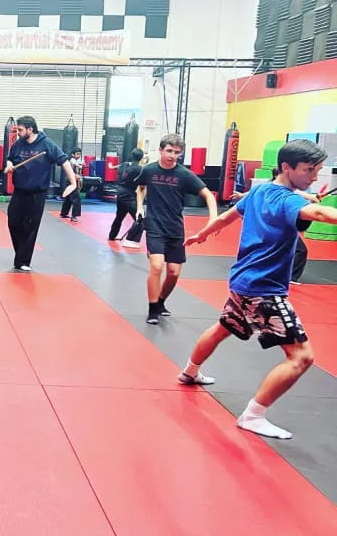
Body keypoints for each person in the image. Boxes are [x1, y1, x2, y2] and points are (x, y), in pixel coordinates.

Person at [178, 140, 337, 439]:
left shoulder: (260, 191)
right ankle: (253, 415)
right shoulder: (289, 201)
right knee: (302, 357)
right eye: (309, 170)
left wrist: (201, 234)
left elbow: (226, 217)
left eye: (317, 170)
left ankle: (189, 371)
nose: (315, 176)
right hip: (265, 289)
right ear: (287, 167)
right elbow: (320, 215)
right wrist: (309, 202)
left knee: (223, 327)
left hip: (242, 281)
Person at [136, 134, 218, 324]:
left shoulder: (184, 174)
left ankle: (161, 301)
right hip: (154, 225)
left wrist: (213, 218)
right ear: (161, 150)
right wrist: (140, 206)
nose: (172, 155)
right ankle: (152, 309)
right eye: (169, 151)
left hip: (175, 227)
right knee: (157, 266)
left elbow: (208, 195)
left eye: (177, 152)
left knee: (173, 272)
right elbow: (140, 188)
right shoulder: (148, 170)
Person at [3, 116, 77, 272]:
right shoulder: (18, 144)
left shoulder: (46, 144)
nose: (18, 133)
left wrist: (73, 183)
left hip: (37, 193)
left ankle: (22, 261)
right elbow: (10, 159)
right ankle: (21, 254)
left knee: (30, 226)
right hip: (19, 191)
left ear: (30, 129)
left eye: (21, 130)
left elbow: (64, 161)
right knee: (13, 223)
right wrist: (9, 165)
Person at [108, 148, 145, 240]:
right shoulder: (139, 169)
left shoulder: (124, 165)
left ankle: (112, 236)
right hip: (128, 194)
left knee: (119, 216)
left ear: (131, 156)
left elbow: (118, 166)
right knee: (139, 217)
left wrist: (111, 166)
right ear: (141, 158)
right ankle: (131, 240)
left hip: (119, 192)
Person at [59, 147, 84, 222]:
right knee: (76, 198)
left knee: (68, 198)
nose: (79, 155)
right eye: (77, 154)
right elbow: (77, 165)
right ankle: (74, 216)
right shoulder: (72, 161)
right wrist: (80, 165)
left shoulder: (76, 160)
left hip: (70, 180)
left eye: (80, 154)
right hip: (71, 181)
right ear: (73, 154)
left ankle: (64, 213)